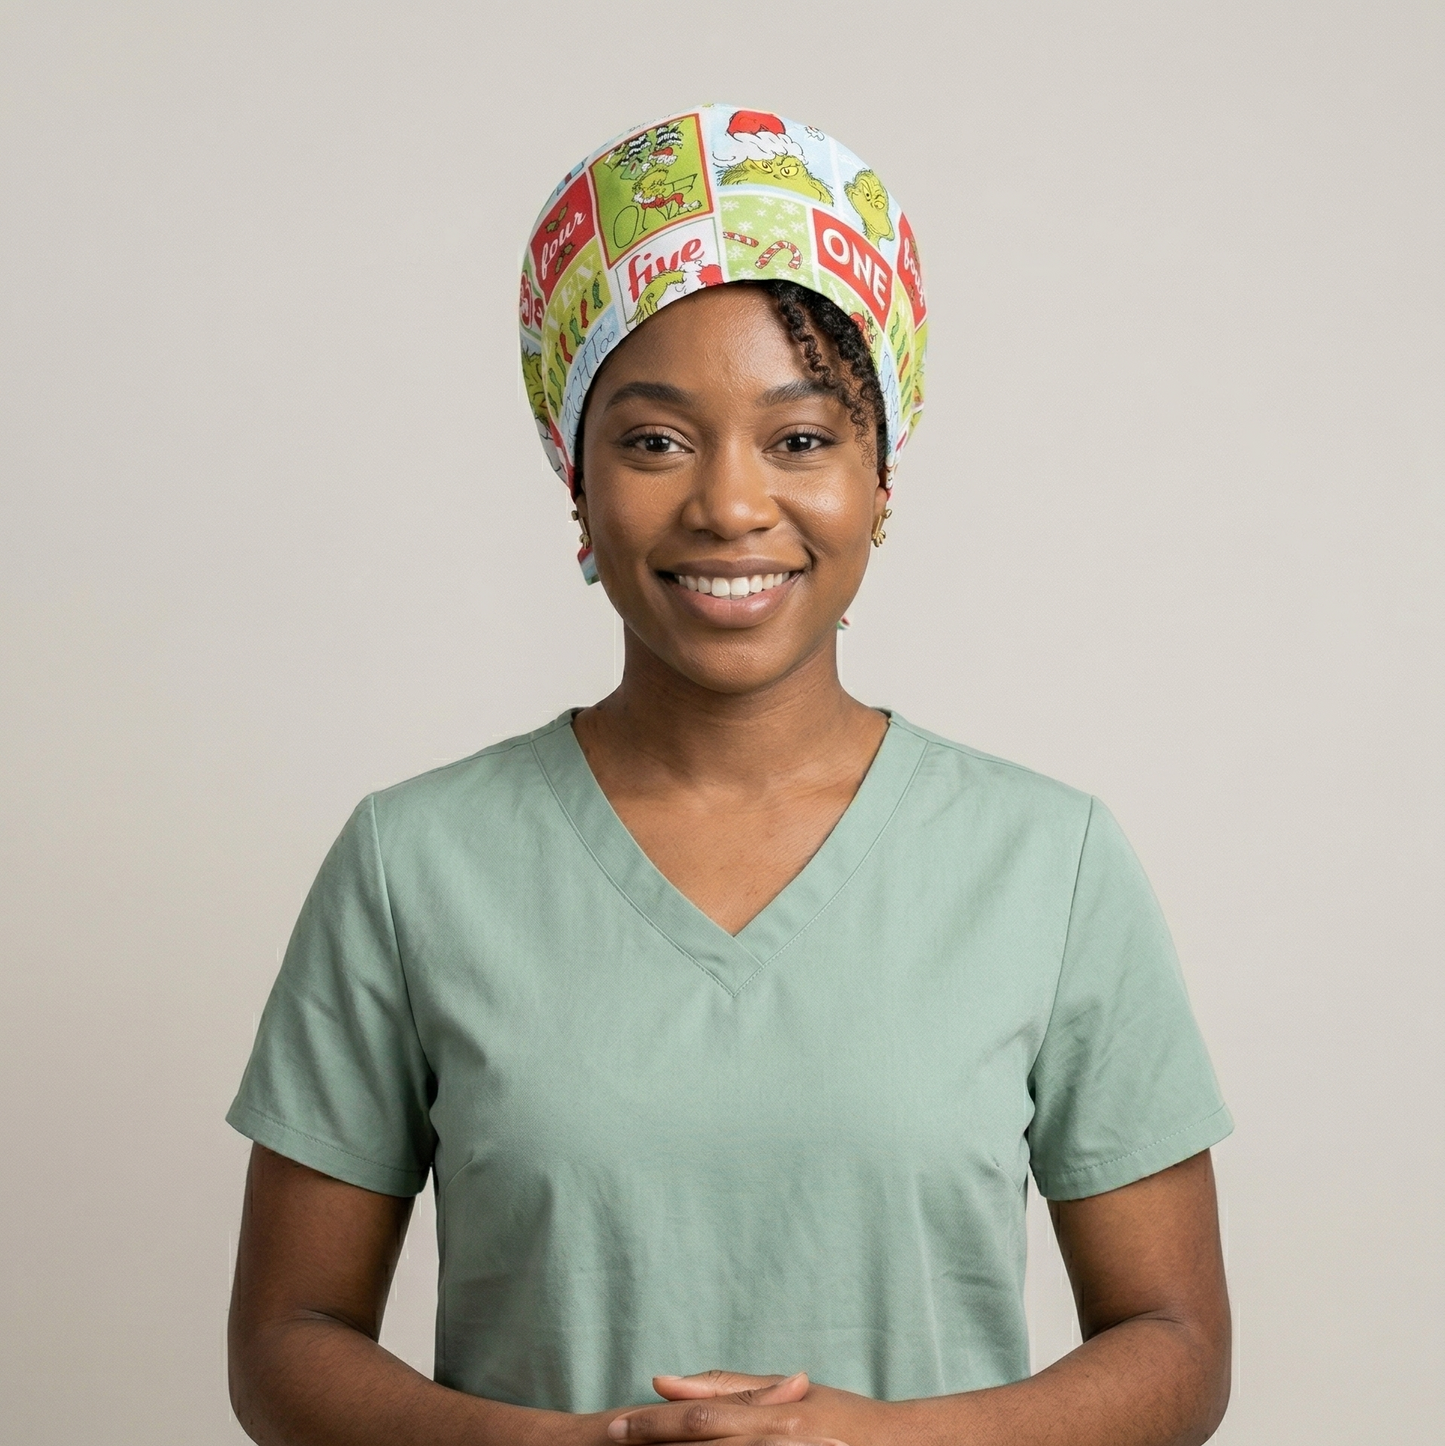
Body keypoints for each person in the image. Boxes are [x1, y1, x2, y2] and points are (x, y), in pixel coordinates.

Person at [227, 105, 1233, 1446]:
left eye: (802, 439)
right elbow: (285, 1342)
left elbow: (1177, 1346)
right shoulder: (414, 863)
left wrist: (891, 1442)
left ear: (882, 482)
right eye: (655, 440)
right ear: (576, 485)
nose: (731, 505)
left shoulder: (1049, 864)